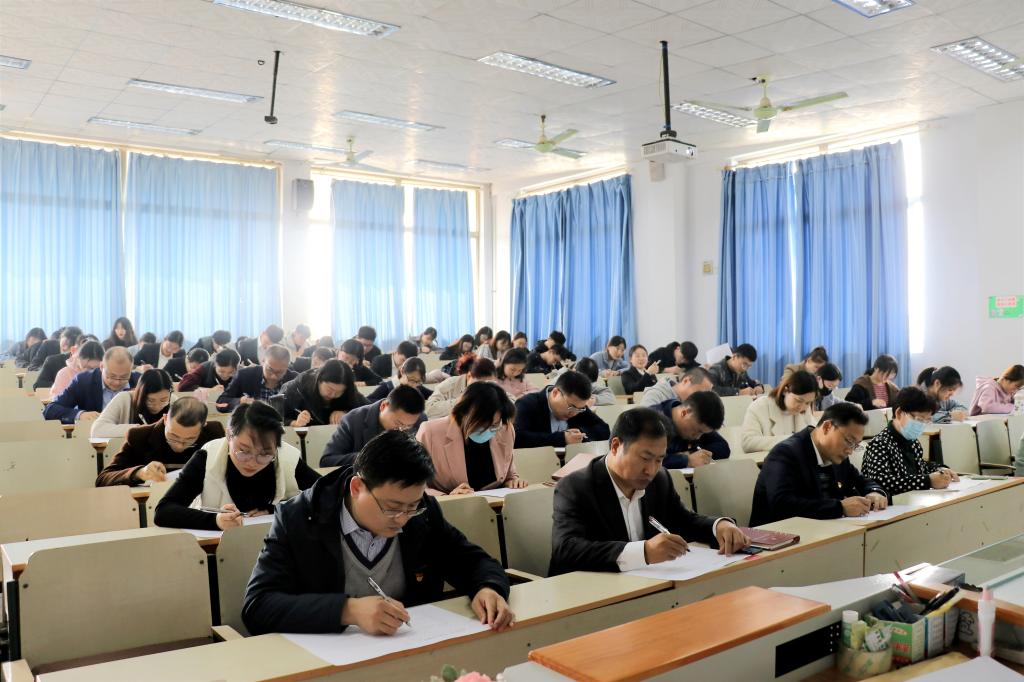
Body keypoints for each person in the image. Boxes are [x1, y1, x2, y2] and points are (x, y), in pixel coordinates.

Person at [242, 430, 512, 636]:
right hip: (328, 659)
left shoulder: (423, 513)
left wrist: (487, 588)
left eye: (412, 507)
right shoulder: (299, 518)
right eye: (392, 508)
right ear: (357, 487)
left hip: (408, 648)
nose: (403, 519)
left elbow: (473, 561)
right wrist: (347, 610)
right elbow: (258, 606)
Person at [548, 407, 749, 575]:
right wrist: (644, 552)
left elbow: (683, 521)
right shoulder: (575, 487)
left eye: (659, 460)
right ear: (616, 446)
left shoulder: (660, 479)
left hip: (645, 586)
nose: (651, 470)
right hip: (589, 594)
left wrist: (718, 526)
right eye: (645, 458)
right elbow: (566, 550)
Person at [154, 401, 319, 530]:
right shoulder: (208, 456)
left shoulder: (286, 457)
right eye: (244, 451)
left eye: (264, 454)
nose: (252, 462)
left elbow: (327, 494)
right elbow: (164, 511)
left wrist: (274, 510)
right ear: (228, 435)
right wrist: (215, 521)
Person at [749, 403, 887, 526]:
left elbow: (860, 480)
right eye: (849, 441)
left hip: (824, 530)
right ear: (827, 427)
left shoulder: (837, 455)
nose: (850, 451)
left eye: (856, 445)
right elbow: (783, 505)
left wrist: (875, 492)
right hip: (780, 536)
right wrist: (839, 507)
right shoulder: (785, 453)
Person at [417, 382, 525, 495]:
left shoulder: (505, 429)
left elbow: (509, 474)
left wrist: (512, 482)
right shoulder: (430, 432)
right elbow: (416, 485)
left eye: (494, 425)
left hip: (495, 503)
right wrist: (447, 497)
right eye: (482, 424)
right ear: (463, 413)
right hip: (449, 504)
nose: (488, 430)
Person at [95, 397, 225, 486]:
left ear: (204, 425)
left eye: (190, 440)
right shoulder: (140, 436)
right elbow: (103, 479)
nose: (179, 446)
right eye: (173, 436)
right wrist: (140, 473)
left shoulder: (214, 433)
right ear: (165, 419)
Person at [862, 387, 958, 497]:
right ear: (899, 413)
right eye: (919, 419)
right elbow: (881, 481)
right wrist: (927, 481)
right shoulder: (879, 444)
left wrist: (941, 469)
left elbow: (921, 466)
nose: (922, 425)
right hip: (890, 505)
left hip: (912, 500)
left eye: (926, 420)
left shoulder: (913, 442)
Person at [320, 385, 427, 468]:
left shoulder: (421, 420)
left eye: (408, 426)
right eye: (398, 423)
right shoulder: (353, 420)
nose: (401, 430)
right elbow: (327, 461)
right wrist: (369, 456)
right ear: (383, 406)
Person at [513, 370, 610, 448]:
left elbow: (604, 430)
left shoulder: (578, 407)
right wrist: (562, 438)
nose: (574, 413)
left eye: (579, 409)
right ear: (555, 393)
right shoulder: (527, 404)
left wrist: (579, 435)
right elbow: (516, 438)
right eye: (571, 407)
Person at [43, 347, 140, 424]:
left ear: (131, 369)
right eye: (112, 376)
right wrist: (80, 415)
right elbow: (50, 410)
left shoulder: (139, 382)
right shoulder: (84, 381)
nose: (117, 382)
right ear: (101, 367)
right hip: (91, 437)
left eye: (124, 377)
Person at [741, 370, 819, 454]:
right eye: (798, 400)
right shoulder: (759, 406)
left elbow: (816, 437)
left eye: (808, 403)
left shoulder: (805, 410)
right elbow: (748, 443)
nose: (802, 407)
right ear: (785, 391)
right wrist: (793, 440)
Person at [279, 359, 368, 427]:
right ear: (319, 379)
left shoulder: (349, 390)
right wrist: (294, 423)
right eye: (330, 389)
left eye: (339, 392)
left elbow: (369, 411)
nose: (332, 395)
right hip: (303, 439)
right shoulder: (298, 387)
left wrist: (347, 414)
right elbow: (277, 418)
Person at [91, 368, 173, 438]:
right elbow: (97, 430)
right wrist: (138, 429)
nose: (157, 406)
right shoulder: (124, 399)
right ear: (140, 394)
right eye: (151, 401)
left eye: (163, 400)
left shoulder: (173, 401)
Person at [655, 391, 729, 468]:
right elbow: (650, 460)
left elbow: (723, 447)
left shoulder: (700, 423)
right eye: (697, 431)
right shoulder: (652, 422)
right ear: (685, 412)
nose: (698, 437)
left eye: (703, 433)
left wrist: (694, 454)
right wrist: (686, 460)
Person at [217, 345, 297, 413]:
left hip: (284, 425)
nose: (274, 376)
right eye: (270, 370)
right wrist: (240, 401)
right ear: (263, 361)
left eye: (279, 372)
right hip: (250, 423)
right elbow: (221, 402)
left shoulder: (295, 380)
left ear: (287, 366)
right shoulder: (245, 375)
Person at [425, 357, 496, 419]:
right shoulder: (450, 384)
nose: (485, 389)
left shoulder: (492, 387)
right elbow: (429, 409)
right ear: (469, 376)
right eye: (480, 385)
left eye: (488, 384)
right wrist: (462, 401)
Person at [33, 326, 83, 390]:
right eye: (63, 337)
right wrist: (60, 384)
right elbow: (38, 384)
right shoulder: (51, 356)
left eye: (70, 342)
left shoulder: (83, 361)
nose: (65, 342)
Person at [640, 366, 714, 407]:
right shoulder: (655, 395)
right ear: (686, 381)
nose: (702, 400)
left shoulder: (691, 405)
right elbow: (642, 424)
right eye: (699, 394)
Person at [366, 357, 433, 402]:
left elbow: (434, 395)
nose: (414, 385)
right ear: (402, 372)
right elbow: (368, 400)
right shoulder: (387, 387)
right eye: (411, 380)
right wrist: (388, 402)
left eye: (418, 381)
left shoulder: (418, 387)